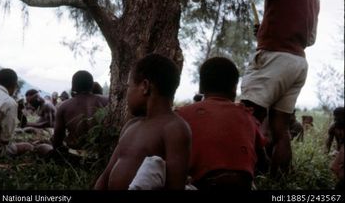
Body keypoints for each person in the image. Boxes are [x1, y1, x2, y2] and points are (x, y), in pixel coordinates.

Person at [192, 0, 320, 177]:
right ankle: (278, 180)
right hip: (298, 63)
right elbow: (309, 39)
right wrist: (268, 30)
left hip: (274, 59)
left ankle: (242, 174)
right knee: (280, 129)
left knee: (248, 118)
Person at [94, 54, 191, 190]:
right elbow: (106, 175)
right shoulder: (131, 125)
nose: (127, 93)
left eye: (129, 86)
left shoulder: (174, 128)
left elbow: (175, 185)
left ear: (145, 86)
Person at [177, 57, 267, 190]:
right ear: (234, 88)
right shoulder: (247, 115)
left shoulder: (182, 115)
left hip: (200, 184)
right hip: (242, 185)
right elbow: (263, 164)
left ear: (201, 86)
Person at [52, 71, 109, 153]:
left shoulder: (63, 106)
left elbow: (57, 141)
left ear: (73, 86)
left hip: (75, 156)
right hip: (103, 156)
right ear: (92, 85)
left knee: (42, 147)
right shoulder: (107, 101)